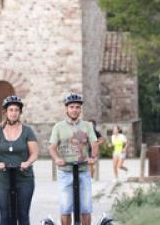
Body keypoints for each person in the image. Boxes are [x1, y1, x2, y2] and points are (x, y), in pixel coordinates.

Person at [0, 96, 39, 225]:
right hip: (2, 178)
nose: (13, 113)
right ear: (6, 112)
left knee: (23, 214)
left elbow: (34, 153)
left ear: (20, 112)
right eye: (11, 110)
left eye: (16, 110)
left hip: (24, 177)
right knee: (5, 215)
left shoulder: (27, 131)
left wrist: (27, 163)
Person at [49, 93, 98, 225]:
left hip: (83, 171)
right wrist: (57, 159)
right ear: (66, 109)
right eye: (71, 107)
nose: (74, 109)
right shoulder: (58, 127)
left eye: (77, 107)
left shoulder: (87, 126)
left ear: (80, 109)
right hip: (65, 171)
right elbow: (52, 147)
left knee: (86, 208)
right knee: (65, 208)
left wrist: (93, 157)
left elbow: (94, 144)